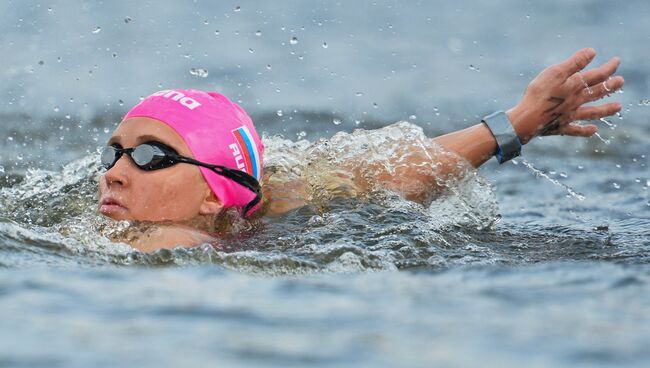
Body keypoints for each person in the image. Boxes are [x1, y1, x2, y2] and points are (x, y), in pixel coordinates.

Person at [99, 48, 624, 252]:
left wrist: (521, 122)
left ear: (214, 195)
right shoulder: (290, 188)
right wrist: (514, 124)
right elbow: (393, 169)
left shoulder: (171, 241)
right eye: (114, 153)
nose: (116, 172)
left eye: (151, 156)